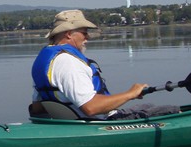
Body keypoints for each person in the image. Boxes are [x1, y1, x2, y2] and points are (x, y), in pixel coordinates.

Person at [31, 9, 180, 120]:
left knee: (148, 106)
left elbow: (37, 108)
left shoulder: (48, 59)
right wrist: (130, 94)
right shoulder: (69, 63)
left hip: (73, 120)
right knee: (172, 111)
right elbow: (91, 107)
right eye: (84, 32)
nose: (87, 37)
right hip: (97, 123)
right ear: (69, 34)